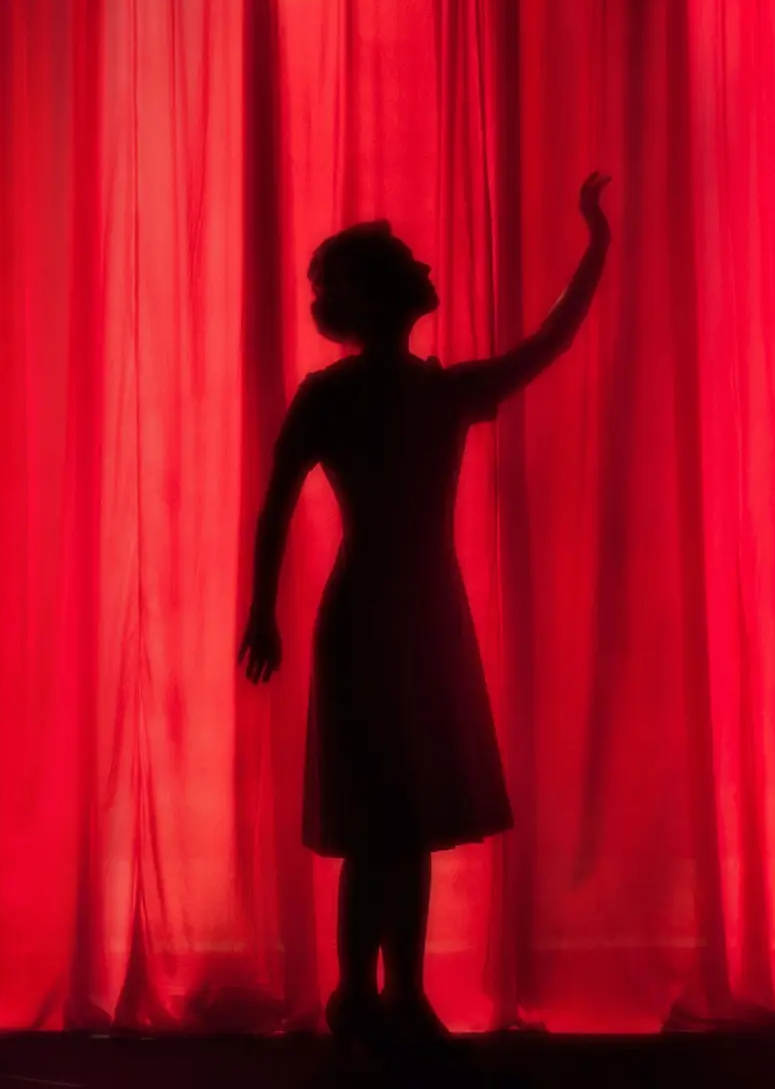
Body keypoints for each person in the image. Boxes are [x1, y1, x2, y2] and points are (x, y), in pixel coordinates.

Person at [240, 173, 614, 1048]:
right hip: (381, 616)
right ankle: (363, 995)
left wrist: (596, 244)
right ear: (371, 299)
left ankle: (388, 994)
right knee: (384, 818)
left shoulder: (423, 391)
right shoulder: (357, 396)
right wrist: (261, 611)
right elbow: (274, 507)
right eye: (400, 264)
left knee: (402, 824)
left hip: (415, 615)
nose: (419, 268)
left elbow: (552, 342)